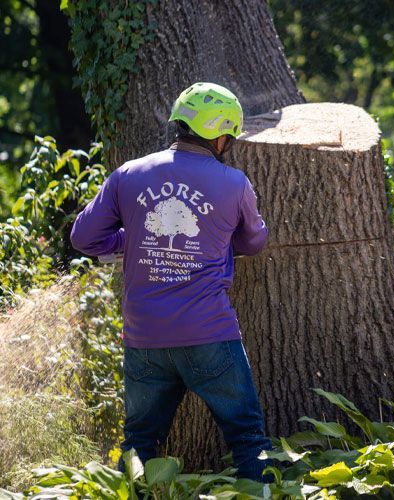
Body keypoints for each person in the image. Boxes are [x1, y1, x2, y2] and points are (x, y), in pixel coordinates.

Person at [70, 82, 274, 483]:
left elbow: (84, 238)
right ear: (220, 135)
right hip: (209, 334)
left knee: (139, 442)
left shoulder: (129, 173)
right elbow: (253, 242)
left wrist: (127, 242)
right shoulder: (234, 183)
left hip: (144, 338)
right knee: (248, 438)